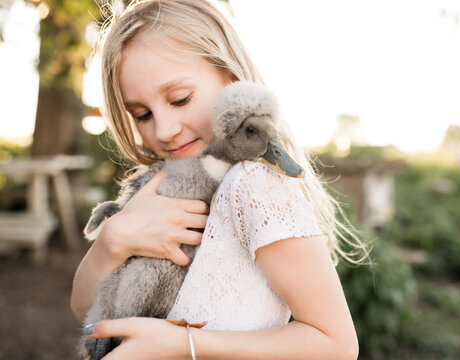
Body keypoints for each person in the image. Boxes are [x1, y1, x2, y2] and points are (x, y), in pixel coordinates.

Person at [71, 0, 366, 359]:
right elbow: (85, 309)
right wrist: (111, 242)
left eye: (180, 99)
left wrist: (183, 345)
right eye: (143, 114)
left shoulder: (254, 184)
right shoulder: (155, 188)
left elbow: (335, 345)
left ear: (230, 75)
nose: (164, 131)